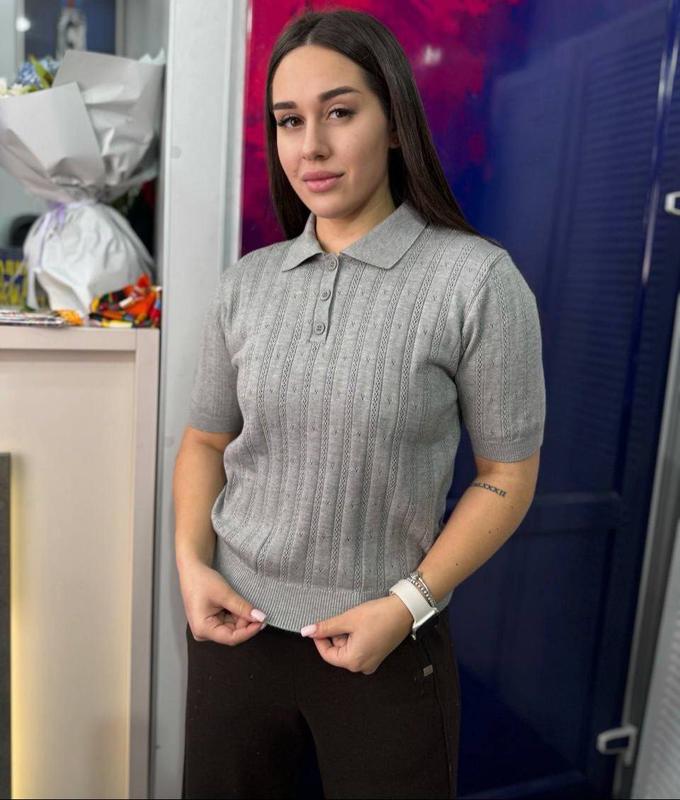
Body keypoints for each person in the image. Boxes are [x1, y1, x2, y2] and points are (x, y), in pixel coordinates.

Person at [174, 8, 546, 800]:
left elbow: (508, 475)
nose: (310, 146)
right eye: (289, 120)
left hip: (386, 640)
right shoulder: (248, 284)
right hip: (236, 636)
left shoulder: (476, 282)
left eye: (339, 112)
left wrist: (408, 605)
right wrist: (191, 565)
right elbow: (205, 441)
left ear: (396, 124)